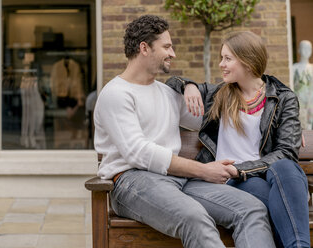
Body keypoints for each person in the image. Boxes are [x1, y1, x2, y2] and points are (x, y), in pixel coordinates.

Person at [94, 15, 275, 248]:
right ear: (144, 48)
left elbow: (219, 119)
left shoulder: (168, 94)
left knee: (251, 209)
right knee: (195, 218)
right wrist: (203, 170)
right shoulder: (116, 94)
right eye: (167, 46)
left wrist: (280, 124)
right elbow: (139, 153)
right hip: (133, 182)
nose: (173, 53)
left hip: (180, 180)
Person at [167, 31, 310, 248]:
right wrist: (188, 85)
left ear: (248, 62)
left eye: (228, 58)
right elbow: (170, 82)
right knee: (274, 200)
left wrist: (241, 169)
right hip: (228, 181)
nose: (221, 64)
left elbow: (286, 152)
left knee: (287, 168)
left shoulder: (283, 98)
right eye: (221, 58)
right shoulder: (218, 95)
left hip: (261, 175)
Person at [293, 40, 313, 130]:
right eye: (304, 48)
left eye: (309, 48)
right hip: (299, 104)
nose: (306, 50)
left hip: (311, 104)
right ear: (299, 50)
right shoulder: (294, 68)